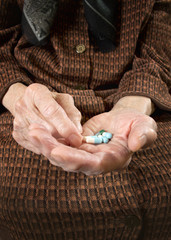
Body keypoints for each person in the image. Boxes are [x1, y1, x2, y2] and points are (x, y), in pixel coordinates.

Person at [0, 0, 170, 239]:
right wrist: (18, 97)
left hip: (146, 95)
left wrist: (135, 102)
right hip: (29, 97)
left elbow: (162, 37)